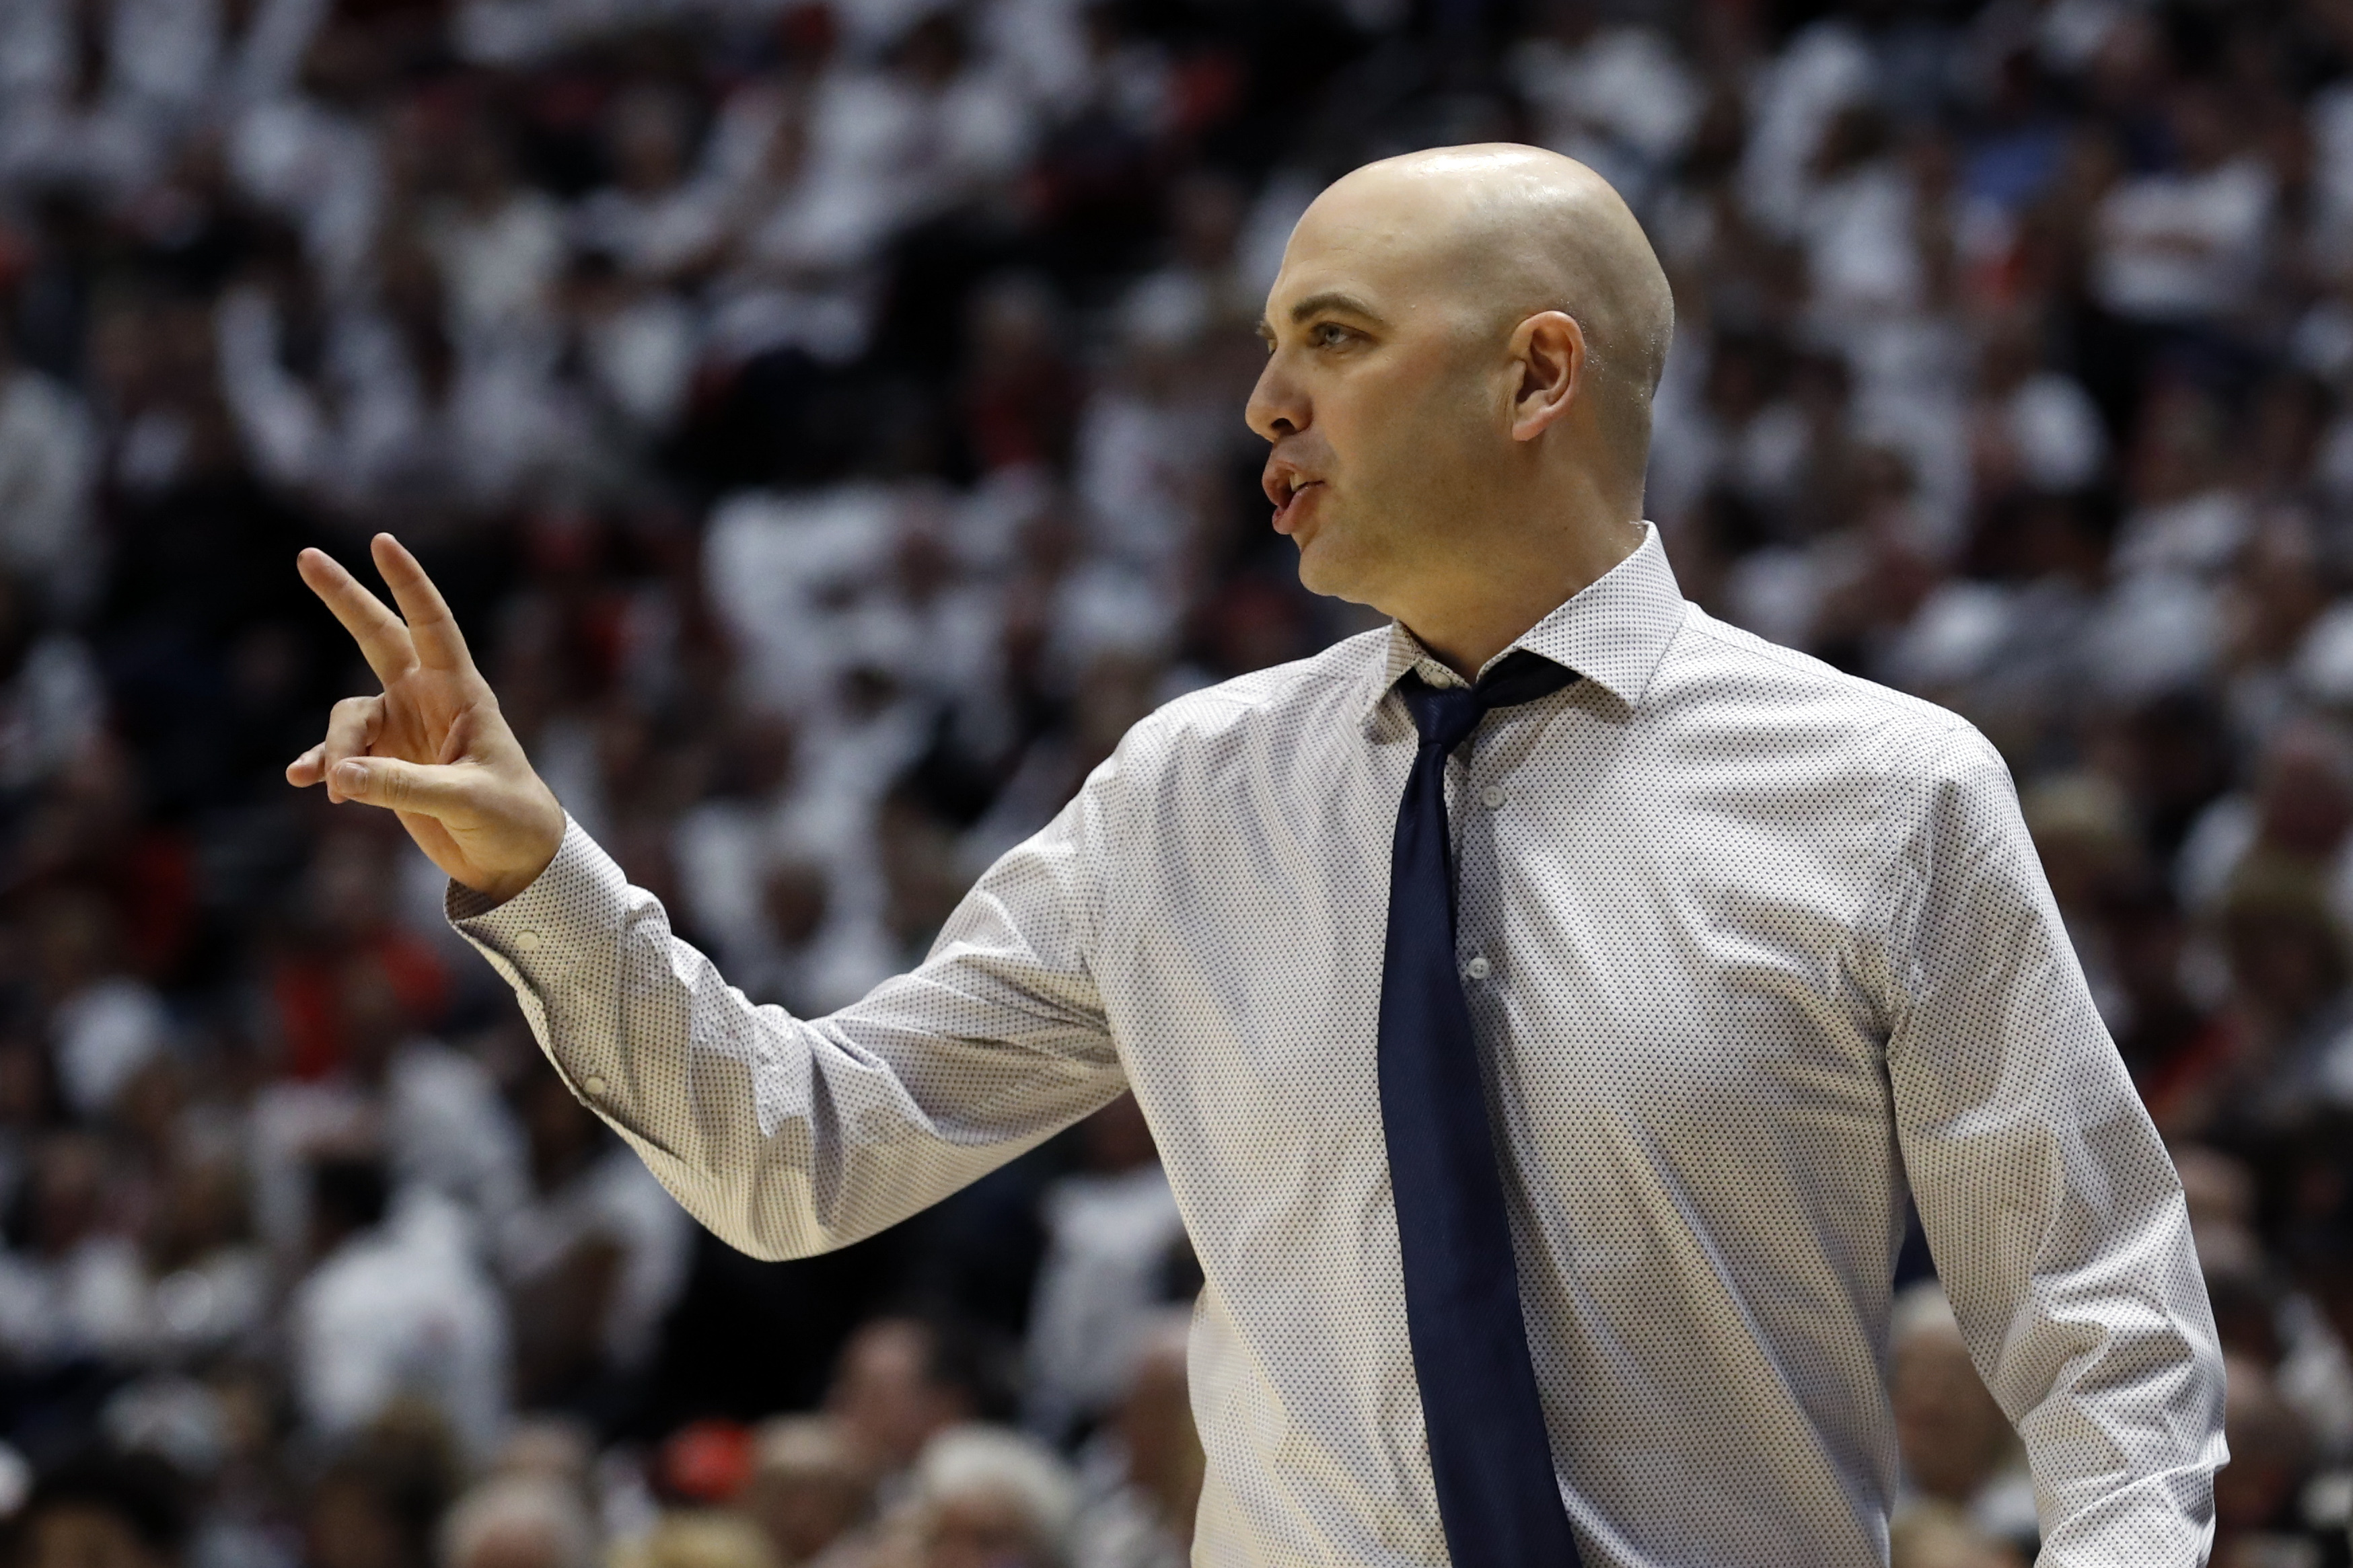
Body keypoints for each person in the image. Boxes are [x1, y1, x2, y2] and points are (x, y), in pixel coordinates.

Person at [287, 144, 2226, 1565]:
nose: (1261, 402)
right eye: (1268, 341)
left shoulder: (1891, 789)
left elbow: (2105, 1331)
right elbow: (796, 1148)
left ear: (1535, 377)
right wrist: (537, 870)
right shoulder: (1181, 793)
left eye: (1334, 336)